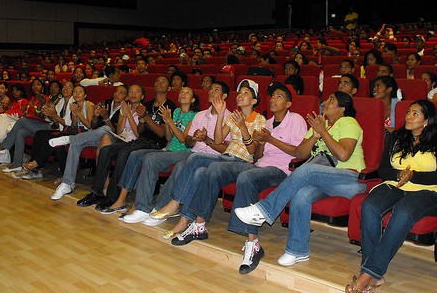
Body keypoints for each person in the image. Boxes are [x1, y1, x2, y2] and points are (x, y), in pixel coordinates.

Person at [182, 82, 307, 274]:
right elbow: (256, 155)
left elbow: (300, 152)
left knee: (245, 177)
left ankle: (252, 243)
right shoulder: (268, 123)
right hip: (259, 166)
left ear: (289, 103)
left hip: (281, 170)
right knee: (215, 168)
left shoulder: (296, 120)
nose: (273, 99)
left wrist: (268, 139)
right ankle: (199, 225)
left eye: (279, 97)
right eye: (272, 96)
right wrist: (260, 143)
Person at [235, 92, 366, 267]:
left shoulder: (349, 122)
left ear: (342, 109)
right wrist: (314, 135)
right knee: (301, 194)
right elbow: (299, 154)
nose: (325, 102)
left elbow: (343, 155)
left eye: (331, 100)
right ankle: (297, 251)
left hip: (350, 180)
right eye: (327, 98)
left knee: (308, 170)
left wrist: (323, 132)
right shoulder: (319, 125)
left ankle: (265, 210)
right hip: (323, 180)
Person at [345, 100, 437, 293]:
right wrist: (398, 175)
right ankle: (373, 275)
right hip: (395, 184)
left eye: (415, 114)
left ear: (427, 120)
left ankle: (368, 273)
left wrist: (413, 175)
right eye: (408, 112)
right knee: (369, 206)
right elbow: (383, 169)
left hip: (427, 190)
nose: (408, 117)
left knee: (402, 212)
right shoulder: (396, 136)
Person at [161, 79, 266, 244]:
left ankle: (175, 202)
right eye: (240, 92)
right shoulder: (232, 117)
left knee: (196, 157)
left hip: (242, 162)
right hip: (226, 159)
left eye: (246, 93)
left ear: (254, 101)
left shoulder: (260, 119)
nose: (240, 95)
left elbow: (253, 152)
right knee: (200, 172)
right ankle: (189, 222)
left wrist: (243, 127)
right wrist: (220, 115)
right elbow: (218, 139)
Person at [76, 76, 176, 210]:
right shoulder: (148, 104)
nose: (159, 83)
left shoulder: (170, 106)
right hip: (140, 140)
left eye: (163, 81)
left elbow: (162, 134)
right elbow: (140, 131)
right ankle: (97, 192)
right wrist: (141, 122)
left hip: (154, 144)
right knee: (106, 150)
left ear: (169, 88)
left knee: (124, 152)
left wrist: (146, 118)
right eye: (157, 80)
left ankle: (112, 197)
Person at [110, 87, 199, 218]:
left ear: (192, 100)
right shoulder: (175, 112)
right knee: (135, 154)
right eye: (181, 92)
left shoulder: (194, 116)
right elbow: (169, 138)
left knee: (150, 158)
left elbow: (182, 140)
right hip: (169, 150)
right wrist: (169, 122)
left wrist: (168, 121)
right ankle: (128, 201)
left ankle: (143, 206)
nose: (182, 94)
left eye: (187, 92)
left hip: (183, 152)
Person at [50, 85, 138, 200]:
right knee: (76, 145)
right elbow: (93, 125)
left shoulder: (124, 108)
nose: (117, 94)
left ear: (126, 97)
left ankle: (70, 138)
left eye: (121, 93)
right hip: (95, 135)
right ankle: (67, 184)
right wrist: (96, 117)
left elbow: (116, 131)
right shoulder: (106, 102)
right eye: (116, 91)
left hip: (112, 139)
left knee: (106, 129)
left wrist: (106, 117)